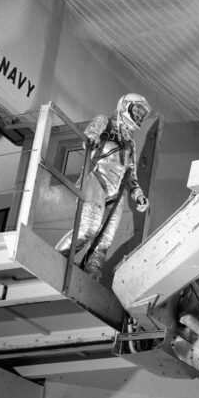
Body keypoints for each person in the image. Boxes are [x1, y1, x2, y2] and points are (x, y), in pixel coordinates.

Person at [55, 93, 151, 278]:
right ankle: (57, 258)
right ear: (125, 106)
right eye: (137, 110)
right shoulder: (105, 122)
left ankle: (90, 278)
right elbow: (91, 133)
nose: (139, 116)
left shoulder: (131, 143)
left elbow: (131, 173)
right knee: (88, 229)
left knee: (103, 242)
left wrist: (138, 194)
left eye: (142, 115)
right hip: (97, 179)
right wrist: (92, 138)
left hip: (117, 193)